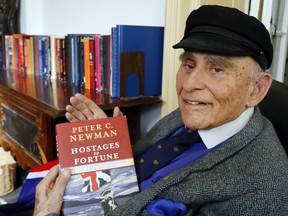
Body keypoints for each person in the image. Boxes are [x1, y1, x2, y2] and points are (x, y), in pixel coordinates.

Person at [34, 5, 288, 216]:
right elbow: (141, 175)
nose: (188, 85)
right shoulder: (196, 114)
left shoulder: (263, 191)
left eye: (217, 69)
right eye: (188, 64)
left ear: (256, 89)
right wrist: (111, 150)